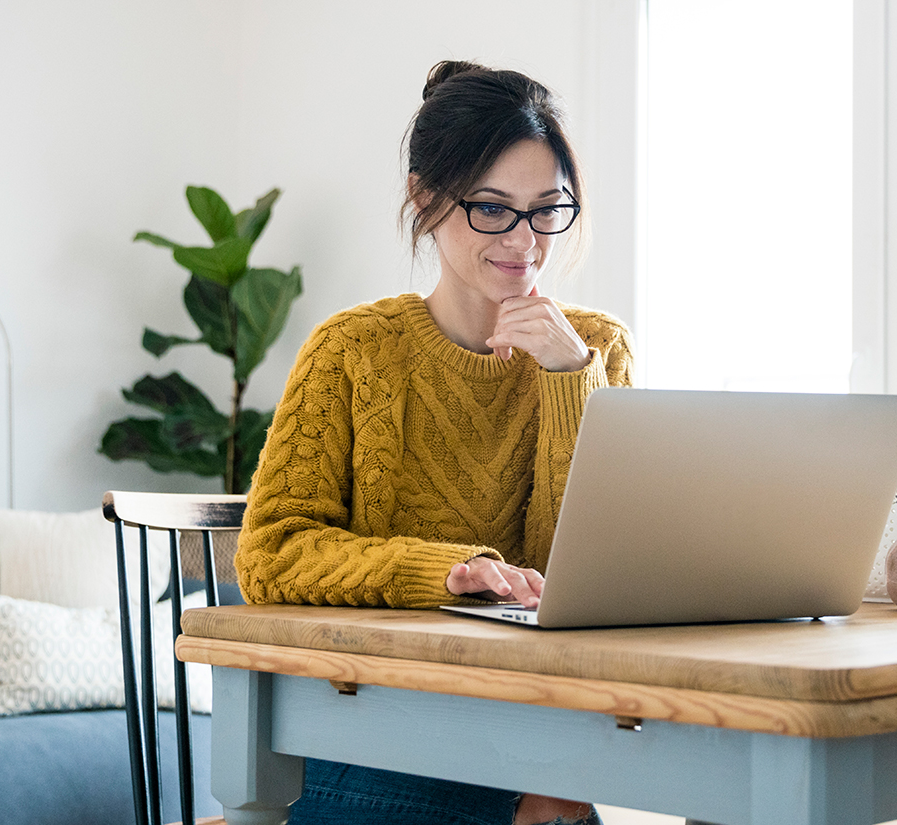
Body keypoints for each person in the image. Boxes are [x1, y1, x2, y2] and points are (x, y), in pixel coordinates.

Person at [236, 60, 633, 825]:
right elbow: (271, 552)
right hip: (364, 730)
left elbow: (584, 574)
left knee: (559, 798)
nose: (526, 241)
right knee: (547, 809)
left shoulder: (594, 351)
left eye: (548, 209)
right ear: (426, 197)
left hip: (536, 724)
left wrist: (567, 379)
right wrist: (441, 572)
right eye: (493, 209)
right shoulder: (353, 351)